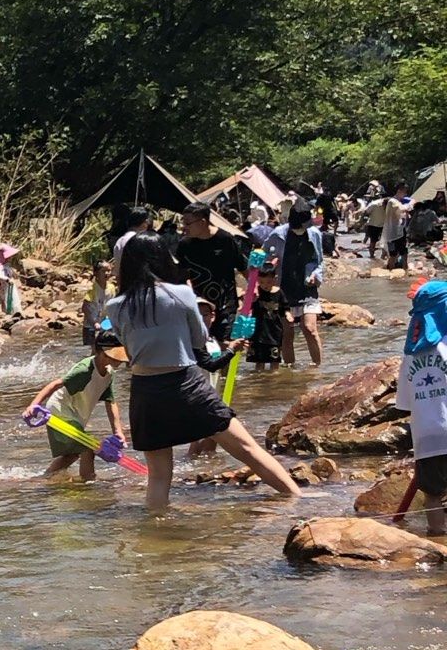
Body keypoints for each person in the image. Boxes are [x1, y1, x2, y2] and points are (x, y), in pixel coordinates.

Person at [106, 235, 304, 515]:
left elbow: (126, 345)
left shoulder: (115, 306)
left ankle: (155, 538)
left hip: (145, 391)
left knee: (159, 476)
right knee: (248, 449)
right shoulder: (182, 294)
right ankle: (298, 501)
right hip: (185, 384)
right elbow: (199, 340)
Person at [395, 280, 447, 537]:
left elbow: (404, 402)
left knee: (433, 494)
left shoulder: (411, 354)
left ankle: (437, 539)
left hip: (427, 436)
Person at [40, 337, 127, 482]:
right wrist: (33, 406)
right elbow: (56, 384)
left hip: (74, 414)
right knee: (88, 447)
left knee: (72, 455)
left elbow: (110, 401)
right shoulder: (85, 370)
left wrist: (117, 431)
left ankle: (44, 478)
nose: (119, 361)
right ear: (99, 352)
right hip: (60, 411)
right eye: (113, 357)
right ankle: (88, 483)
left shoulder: (109, 373)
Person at [174, 202, 252, 333]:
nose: (183, 227)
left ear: (203, 222)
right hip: (199, 307)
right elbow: (182, 275)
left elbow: (243, 267)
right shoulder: (184, 245)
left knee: (228, 345)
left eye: (188, 223)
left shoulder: (225, 239)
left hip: (226, 304)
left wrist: (253, 290)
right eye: (183, 223)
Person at [277, 199, 325, 368]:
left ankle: (317, 368)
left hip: (307, 287)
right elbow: (263, 256)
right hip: (284, 289)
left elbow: (320, 261)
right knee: (287, 332)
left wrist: (317, 275)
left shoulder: (314, 233)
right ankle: (290, 371)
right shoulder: (278, 235)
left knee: (309, 329)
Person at [81, 256, 114, 348]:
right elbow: (85, 308)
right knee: (92, 352)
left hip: (105, 324)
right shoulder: (92, 289)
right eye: (103, 271)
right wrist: (94, 323)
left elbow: (113, 306)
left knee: (106, 350)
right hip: (90, 326)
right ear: (95, 273)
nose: (107, 273)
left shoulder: (111, 288)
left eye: (109, 271)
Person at [385, 187, 413, 273]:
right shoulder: (392, 201)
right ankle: (390, 272)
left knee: (404, 251)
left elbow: (405, 212)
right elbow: (402, 208)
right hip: (393, 232)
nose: (405, 195)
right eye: (404, 192)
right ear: (399, 191)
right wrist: (411, 203)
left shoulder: (398, 201)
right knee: (393, 253)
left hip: (400, 230)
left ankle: (405, 269)